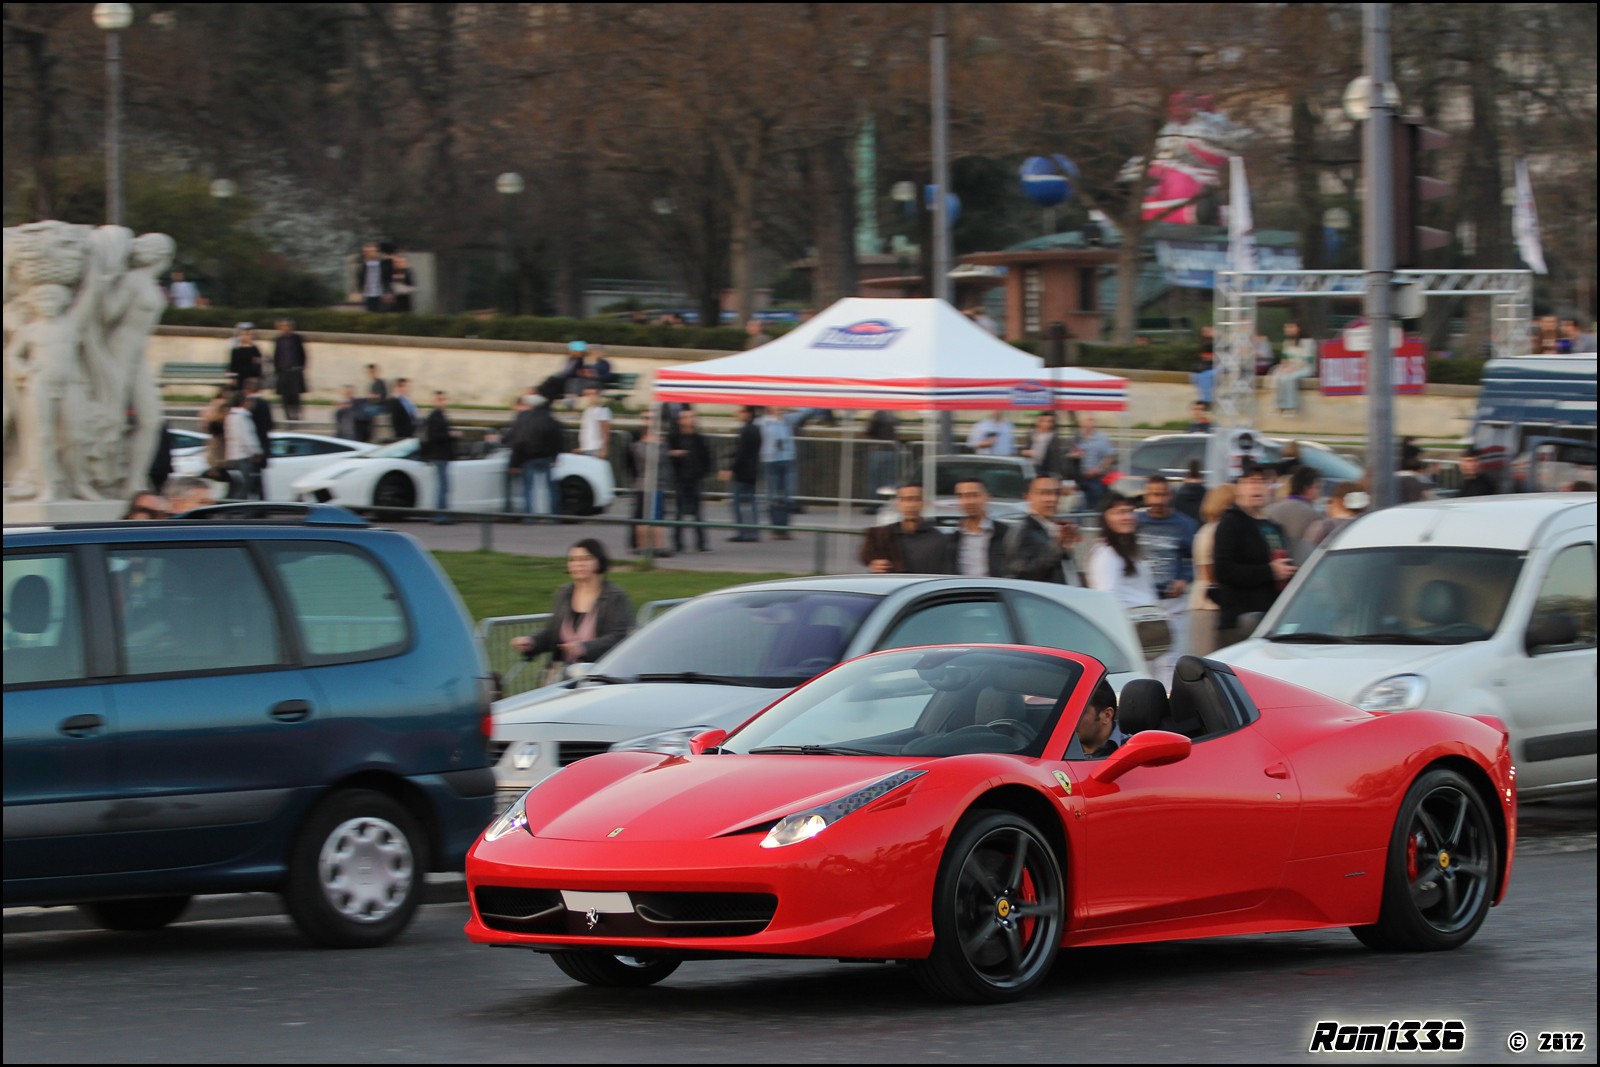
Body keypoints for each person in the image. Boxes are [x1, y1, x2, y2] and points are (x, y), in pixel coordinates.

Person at [510, 540, 635, 675]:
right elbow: (552, 632)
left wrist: (585, 648)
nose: (578, 564)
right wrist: (532, 642)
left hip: (599, 676)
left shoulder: (615, 597)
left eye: (585, 559)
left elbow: (620, 637)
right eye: (573, 560)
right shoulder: (564, 593)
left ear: (599, 562)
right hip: (563, 676)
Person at [1211, 464, 1295, 647]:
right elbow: (1223, 571)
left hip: (1271, 621)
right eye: (1251, 482)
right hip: (1240, 623)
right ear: (1239, 487)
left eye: (1263, 481)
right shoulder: (1231, 523)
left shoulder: (1274, 526)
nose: (1257, 487)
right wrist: (1269, 571)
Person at [1138, 475, 1198, 682]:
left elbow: (1196, 559)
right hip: (1144, 602)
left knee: (1171, 661)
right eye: (1153, 494)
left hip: (1173, 602)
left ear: (1170, 496)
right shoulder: (1137, 522)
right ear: (1145, 496)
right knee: (1144, 661)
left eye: (1162, 494)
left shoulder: (1185, 524)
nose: (1158, 500)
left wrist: (1185, 579)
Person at [1186, 482, 1236, 658]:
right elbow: (1209, 571)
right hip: (1208, 604)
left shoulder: (1207, 530)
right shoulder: (1212, 532)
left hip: (1207, 602)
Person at [859, 483, 955, 574]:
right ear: (897, 504)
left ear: (924, 503)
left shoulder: (939, 540)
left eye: (916, 499)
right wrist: (875, 566)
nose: (911, 505)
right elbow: (868, 562)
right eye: (906, 499)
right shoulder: (882, 535)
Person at [1003, 474, 1081, 584]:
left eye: (1056, 493)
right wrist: (1057, 547)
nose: (1052, 499)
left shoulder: (1054, 529)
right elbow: (1021, 575)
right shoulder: (1021, 531)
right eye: (1044, 493)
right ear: (1027, 497)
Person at [1087, 494, 1160, 609]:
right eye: (1119, 512)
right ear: (1105, 518)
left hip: (1147, 615)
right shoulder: (1106, 553)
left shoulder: (1129, 548)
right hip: (1129, 617)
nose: (1128, 517)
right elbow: (1107, 598)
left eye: (1130, 511)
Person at [507, 394, 563, 520]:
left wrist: (515, 463)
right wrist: (555, 456)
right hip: (546, 458)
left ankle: (529, 516)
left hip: (529, 458)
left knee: (528, 488)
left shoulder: (524, 420)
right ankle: (554, 516)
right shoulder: (551, 420)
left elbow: (519, 442)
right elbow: (558, 440)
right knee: (551, 488)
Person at [668, 408, 712, 553]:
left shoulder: (699, 438)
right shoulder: (674, 438)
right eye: (687, 417)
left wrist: (703, 472)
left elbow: (706, 457)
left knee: (698, 512)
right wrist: (674, 454)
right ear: (680, 421)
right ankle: (677, 543)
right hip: (681, 478)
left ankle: (701, 543)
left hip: (695, 478)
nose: (691, 419)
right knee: (679, 512)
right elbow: (666, 454)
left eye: (692, 417)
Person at [627, 411, 670, 556]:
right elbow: (654, 459)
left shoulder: (640, 446)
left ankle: (648, 546)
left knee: (649, 517)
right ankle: (653, 546)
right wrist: (660, 446)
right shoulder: (641, 447)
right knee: (650, 517)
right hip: (648, 485)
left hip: (651, 485)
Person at [1263, 465, 1321, 564]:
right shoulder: (1314, 515)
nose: (1319, 492)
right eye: (1318, 487)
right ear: (1307, 488)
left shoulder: (1269, 509)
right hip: (1302, 566)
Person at [759, 406, 801, 539]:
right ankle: (775, 529)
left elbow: (805, 411)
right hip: (771, 460)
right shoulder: (763, 422)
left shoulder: (787, 420)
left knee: (787, 496)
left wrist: (788, 407)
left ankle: (785, 528)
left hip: (787, 458)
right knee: (773, 496)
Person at [953, 479, 1010, 577]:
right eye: (962, 496)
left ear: (987, 497)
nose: (969, 502)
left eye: (975, 495)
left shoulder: (1005, 534)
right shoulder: (953, 538)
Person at [722, 405, 762, 542]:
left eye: (741, 411)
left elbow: (742, 453)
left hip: (742, 472)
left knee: (737, 502)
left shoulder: (746, 430)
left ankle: (742, 532)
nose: (738, 414)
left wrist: (731, 469)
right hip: (752, 471)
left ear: (748, 414)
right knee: (751, 502)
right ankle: (753, 532)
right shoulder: (756, 429)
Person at [420, 390, 457, 522]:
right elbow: (434, 436)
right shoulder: (435, 416)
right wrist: (450, 435)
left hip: (442, 455)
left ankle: (442, 513)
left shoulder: (439, 415)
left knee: (444, 486)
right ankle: (440, 515)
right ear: (434, 401)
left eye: (444, 399)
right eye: (440, 399)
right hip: (440, 455)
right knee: (442, 486)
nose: (443, 402)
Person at [1303, 483, 1368, 550]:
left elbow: (1307, 552)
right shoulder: (1368, 527)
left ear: (1337, 501)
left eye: (1329, 501)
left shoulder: (1322, 527)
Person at [223, 390, 264, 499]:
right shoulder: (242, 417)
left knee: (235, 487)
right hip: (243, 458)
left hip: (231, 457)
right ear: (242, 402)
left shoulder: (230, 416)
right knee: (243, 488)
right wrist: (256, 452)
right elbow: (246, 437)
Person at [1273, 321, 1316, 417]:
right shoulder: (1286, 343)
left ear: (1298, 328)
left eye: (1291, 327)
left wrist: (1292, 369)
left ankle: (1291, 408)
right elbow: (1284, 360)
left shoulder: (1308, 342)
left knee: (1289, 378)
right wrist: (1282, 368)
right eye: (1287, 327)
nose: (1288, 329)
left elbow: (1307, 361)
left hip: (1305, 368)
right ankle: (1280, 406)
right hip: (1290, 368)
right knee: (1279, 376)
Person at [1073, 413, 1115, 509]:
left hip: (1097, 479)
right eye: (1087, 420)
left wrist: (1097, 470)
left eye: (1092, 420)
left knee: (1096, 506)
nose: (1089, 423)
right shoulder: (1077, 438)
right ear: (1081, 423)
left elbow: (1109, 457)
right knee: (1080, 506)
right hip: (1080, 479)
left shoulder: (1102, 438)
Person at [1075, 679, 1124, 759]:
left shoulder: (1133, 752)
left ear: (1107, 715)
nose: (1071, 721)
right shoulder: (1059, 748)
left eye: (1079, 713)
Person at [272, 318, 309, 421]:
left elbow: (302, 354)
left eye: (287, 326)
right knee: (285, 395)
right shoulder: (278, 340)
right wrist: (277, 369)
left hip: (295, 370)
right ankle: (287, 415)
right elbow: (276, 355)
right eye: (283, 326)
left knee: (295, 394)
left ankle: (296, 414)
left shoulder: (296, 339)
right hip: (282, 370)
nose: (285, 328)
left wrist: (301, 367)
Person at [865, 409, 901, 505]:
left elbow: (869, 431)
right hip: (891, 450)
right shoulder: (892, 415)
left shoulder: (877, 415)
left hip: (878, 450)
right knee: (889, 481)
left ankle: (873, 505)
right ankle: (889, 504)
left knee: (874, 481)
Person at [1021, 411, 1067, 479]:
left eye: (1049, 421)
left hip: (1047, 472)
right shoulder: (1031, 434)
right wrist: (1026, 452)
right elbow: (1025, 451)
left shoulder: (1054, 438)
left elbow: (1056, 459)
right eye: (1043, 421)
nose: (1046, 424)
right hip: (1030, 468)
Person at [353, 242, 393, 312]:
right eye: (366, 251)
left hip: (383, 295)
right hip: (369, 295)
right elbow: (360, 280)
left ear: (376, 251)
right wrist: (359, 292)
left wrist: (388, 292)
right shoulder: (362, 266)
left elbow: (389, 279)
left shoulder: (385, 264)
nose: (369, 253)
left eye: (371, 251)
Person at [577, 384, 611, 459]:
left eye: (593, 394)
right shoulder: (587, 411)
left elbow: (605, 431)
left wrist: (604, 449)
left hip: (596, 448)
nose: (590, 397)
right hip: (586, 448)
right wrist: (582, 447)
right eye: (587, 395)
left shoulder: (603, 410)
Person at [364, 364, 389, 439]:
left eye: (373, 372)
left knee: (367, 411)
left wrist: (371, 396)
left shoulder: (380, 382)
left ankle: (369, 435)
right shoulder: (372, 384)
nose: (371, 374)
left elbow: (380, 396)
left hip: (380, 406)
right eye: (370, 372)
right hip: (373, 406)